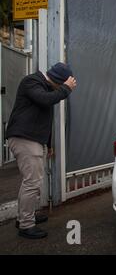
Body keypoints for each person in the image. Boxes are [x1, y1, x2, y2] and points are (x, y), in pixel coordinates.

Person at [6, 62, 77, 239]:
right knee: (32, 183)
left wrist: (49, 145)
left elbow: (45, 120)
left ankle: (25, 215)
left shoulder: (46, 88)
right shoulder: (31, 82)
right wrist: (66, 89)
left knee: (32, 182)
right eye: (61, 86)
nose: (61, 90)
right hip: (25, 138)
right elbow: (45, 99)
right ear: (57, 81)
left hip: (35, 140)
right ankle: (26, 225)